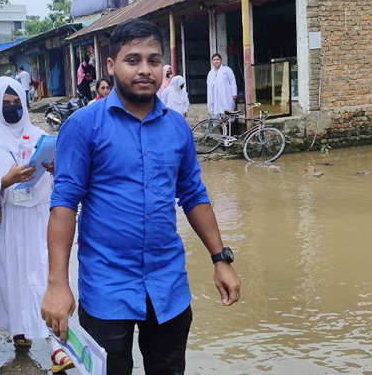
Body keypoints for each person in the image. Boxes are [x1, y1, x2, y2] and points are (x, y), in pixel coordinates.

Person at [41, 18, 241, 375]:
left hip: (168, 285)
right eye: (132, 60)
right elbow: (64, 204)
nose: (145, 69)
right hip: (106, 285)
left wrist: (220, 258)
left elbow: (193, 195)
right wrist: (57, 284)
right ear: (111, 66)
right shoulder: (84, 125)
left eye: (153, 60)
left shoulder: (177, 126)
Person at [0, 77, 73, 373]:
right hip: (10, 223)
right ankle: (20, 329)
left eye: (17, 104)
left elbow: (60, 175)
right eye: (6, 105)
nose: (13, 109)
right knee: (15, 279)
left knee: (45, 276)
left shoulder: (39, 135)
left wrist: (55, 168)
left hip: (40, 217)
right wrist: (5, 181)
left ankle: (56, 346)